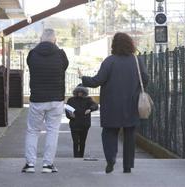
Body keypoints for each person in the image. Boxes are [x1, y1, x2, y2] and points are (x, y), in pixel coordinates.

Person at [78, 32, 148, 174]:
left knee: (109, 132)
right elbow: (145, 79)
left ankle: (111, 159)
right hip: (132, 104)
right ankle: (127, 166)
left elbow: (97, 81)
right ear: (130, 44)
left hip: (111, 105)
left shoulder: (110, 61)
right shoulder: (137, 60)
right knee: (129, 134)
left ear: (114, 45)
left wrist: (83, 78)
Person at [22, 28, 69, 173]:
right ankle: (48, 165)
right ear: (55, 40)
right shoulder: (61, 54)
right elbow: (64, 67)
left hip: (37, 99)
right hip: (56, 100)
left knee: (32, 131)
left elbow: (30, 65)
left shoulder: (32, 54)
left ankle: (30, 164)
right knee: (52, 131)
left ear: (40, 39)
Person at [65, 84, 98, 158]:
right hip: (74, 124)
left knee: (82, 142)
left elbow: (95, 106)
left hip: (84, 124)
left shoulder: (88, 100)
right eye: (78, 91)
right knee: (75, 142)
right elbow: (67, 109)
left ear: (84, 92)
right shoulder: (71, 100)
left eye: (81, 91)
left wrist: (90, 109)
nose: (80, 93)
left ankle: (81, 156)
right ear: (75, 92)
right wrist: (70, 115)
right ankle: (76, 156)